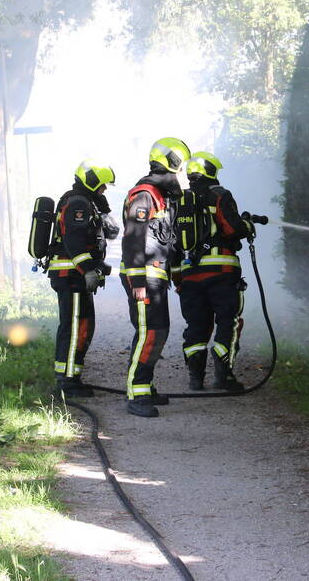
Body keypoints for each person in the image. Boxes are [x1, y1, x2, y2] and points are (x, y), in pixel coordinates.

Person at [120, 137, 191, 417]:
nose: (181, 173)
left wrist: (176, 275)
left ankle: (144, 388)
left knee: (158, 331)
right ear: (172, 163)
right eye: (180, 166)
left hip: (156, 275)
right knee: (149, 332)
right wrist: (137, 281)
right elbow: (133, 238)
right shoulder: (145, 194)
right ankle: (135, 393)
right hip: (144, 276)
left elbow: (167, 242)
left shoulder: (162, 197)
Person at [173, 151, 255, 392]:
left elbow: (173, 241)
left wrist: (178, 278)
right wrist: (247, 225)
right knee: (228, 321)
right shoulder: (220, 195)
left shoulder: (181, 200)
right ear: (211, 171)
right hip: (221, 271)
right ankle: (224, 377)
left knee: (196, 325)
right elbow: (232, 229)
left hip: (189, 274)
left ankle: (195, 379)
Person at [47, 160, 119, 397]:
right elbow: (74, 240)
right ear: (92, 181)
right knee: (74, 326)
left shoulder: (86, 202)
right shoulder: (78, 203)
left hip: (75, 274)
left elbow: (104, 234)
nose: (104, 190)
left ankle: (72, 376)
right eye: (102, 186)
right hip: (72, 275)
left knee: (83, 325)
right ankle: (67, 381)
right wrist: (88, 269)